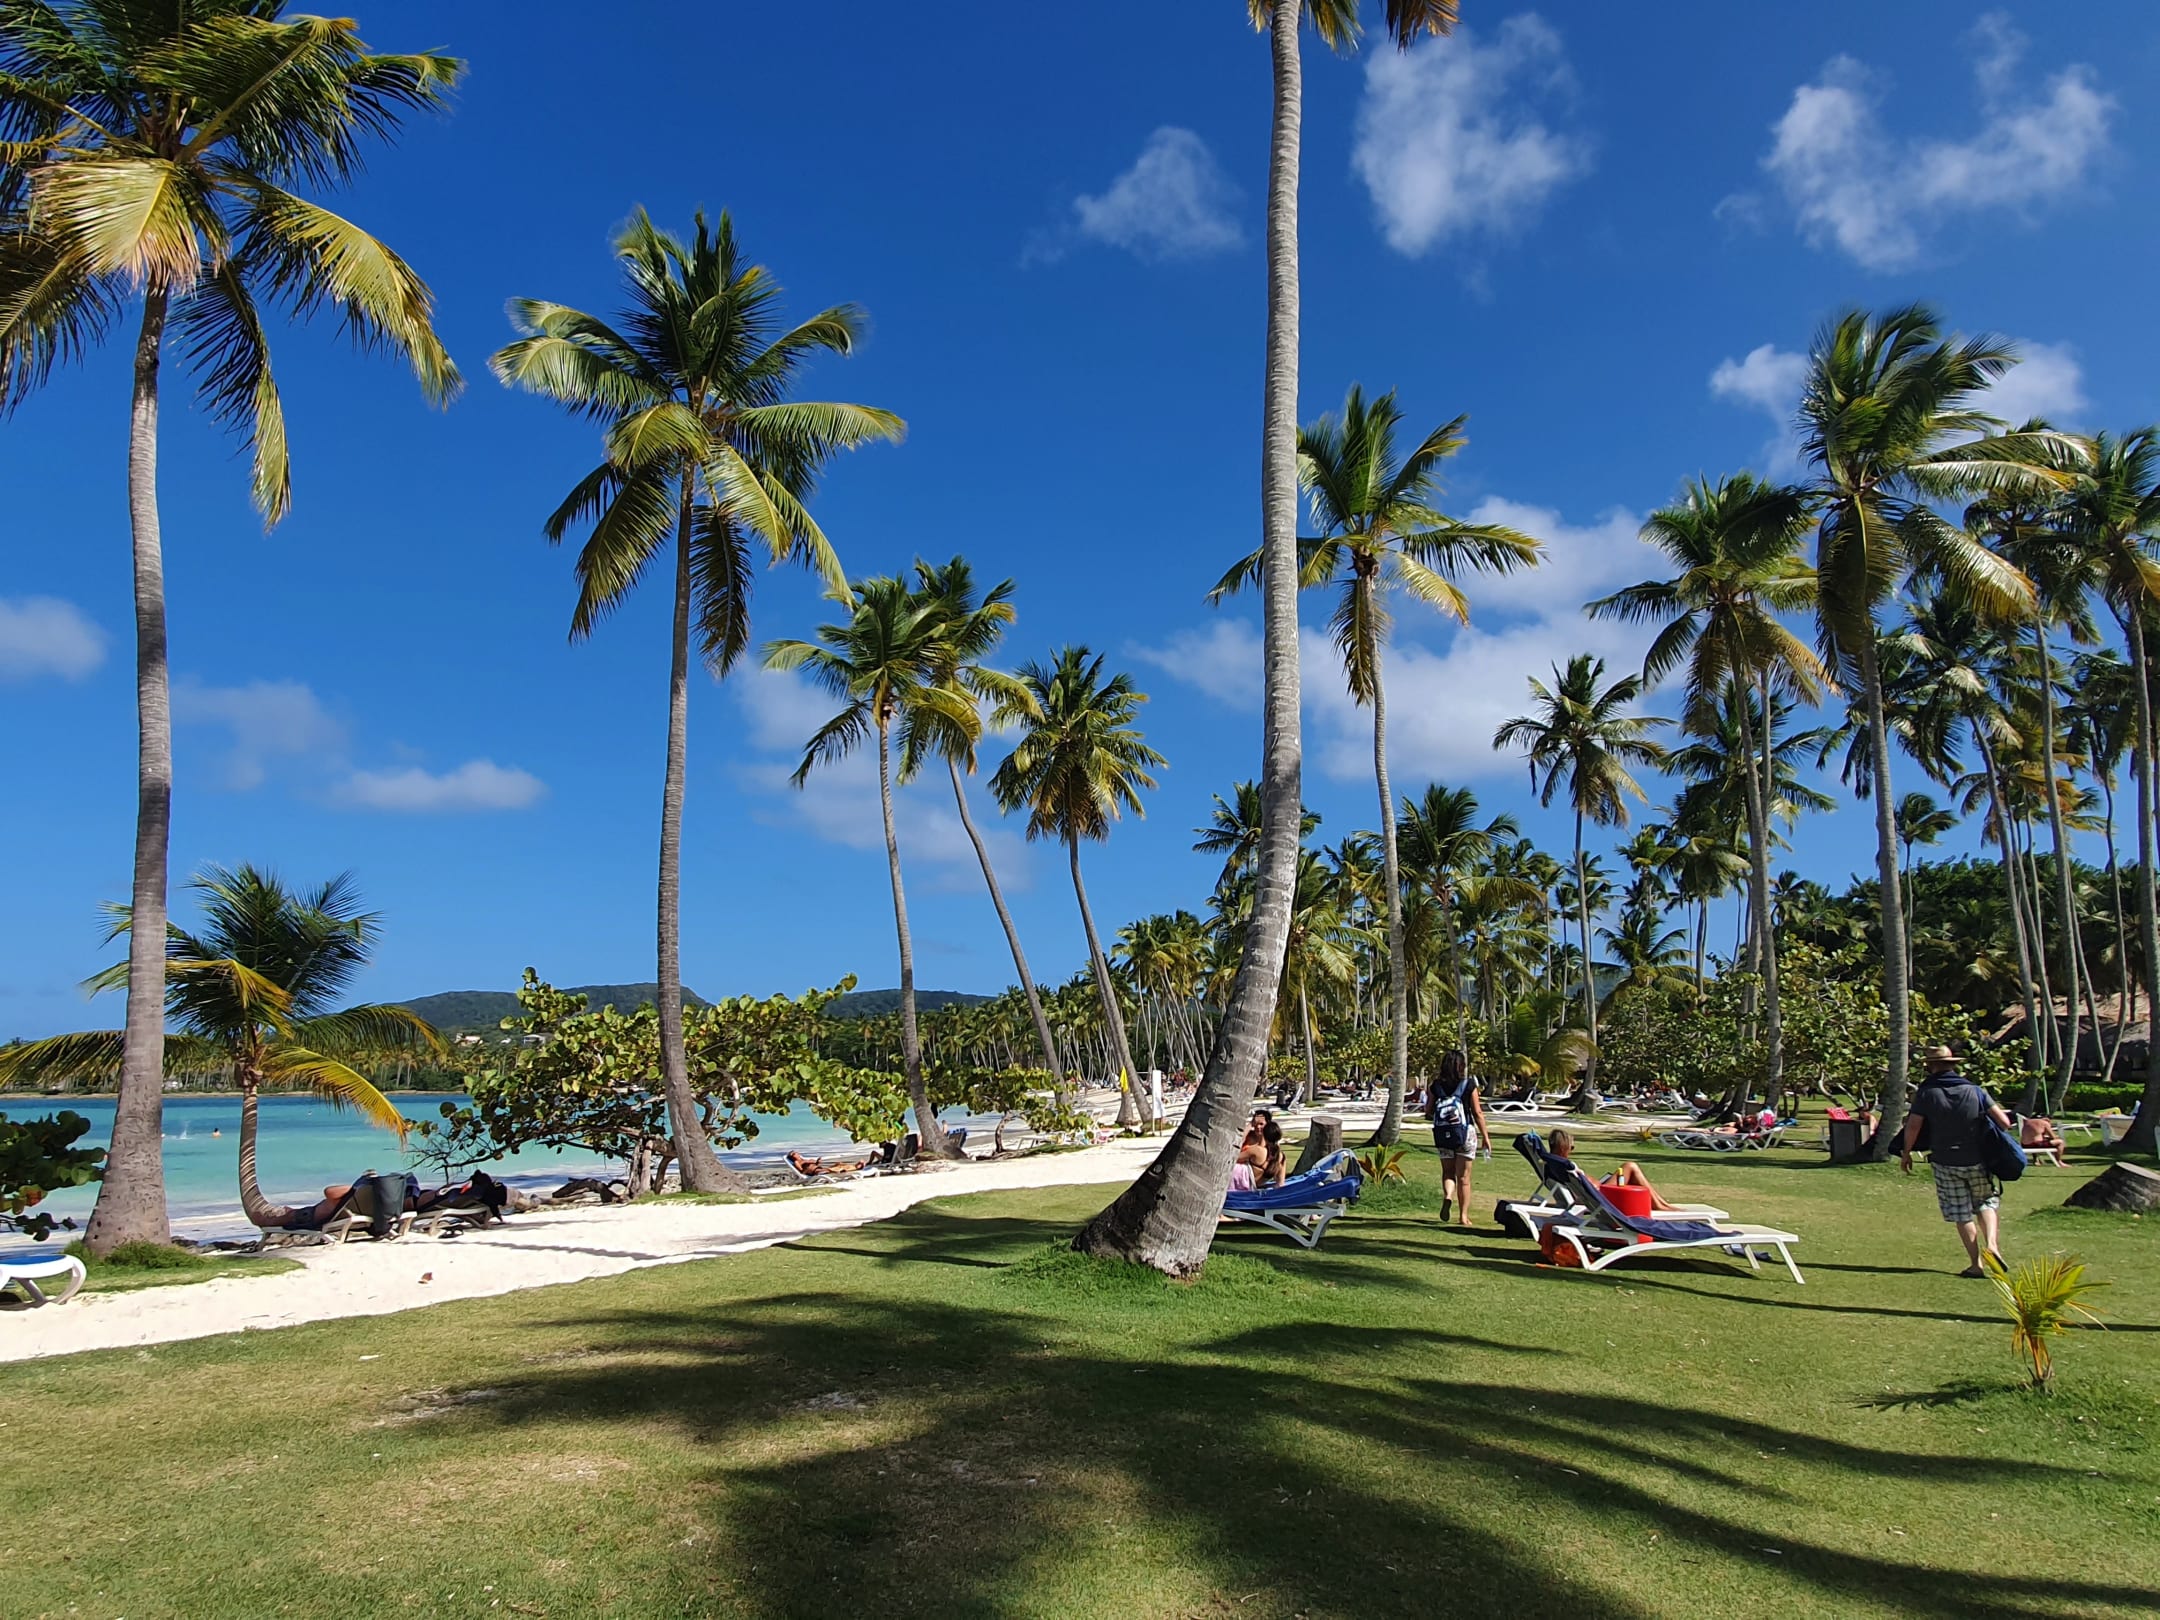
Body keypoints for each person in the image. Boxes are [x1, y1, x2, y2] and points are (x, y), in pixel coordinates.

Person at [1898, 1044, 2016, 1277]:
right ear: (1952, 1065)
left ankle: (1976, 1265)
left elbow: (1913, 1126)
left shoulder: (1926, 1093)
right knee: (1985, 1203)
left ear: (1931, 1066)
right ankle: (1992, 1245)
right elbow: (2004, 1122)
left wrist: (1906, 1152)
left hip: (1945, 1161)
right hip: (1977, 1159)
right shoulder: (1975, 1090)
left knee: (1960, 1213)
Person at [1550, 1129, 1685, 1212]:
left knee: (1629, 1169)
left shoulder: (1553, 1163)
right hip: (1599, 1195)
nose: (1572, 1150)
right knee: (1630, 1166)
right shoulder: (1567, 1166)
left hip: (1597, 1191)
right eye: (1571, 1147)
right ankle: (1660, 1205)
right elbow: (1581, 1191)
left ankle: (1662, 1204)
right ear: (1563, 1147)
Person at [1426, 1050, 1488, 1228]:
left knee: (1448, 1172)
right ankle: (1463, 1216)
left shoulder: (1436, 1086)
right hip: (1465, 1134)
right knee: (1464, 1178)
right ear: (1461, 1066)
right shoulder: (1468, 1084)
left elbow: (1428, 1111)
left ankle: (1448, 1196)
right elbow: (1477, 1112)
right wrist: (1485, 1137)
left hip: (1443, 1135)